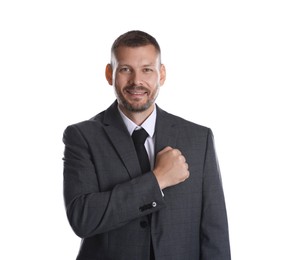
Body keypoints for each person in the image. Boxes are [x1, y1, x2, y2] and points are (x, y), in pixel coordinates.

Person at [63, 30, 231, 260]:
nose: (136, 81)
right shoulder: (82, 137)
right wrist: (157, 179)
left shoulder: (198, 138)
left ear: (161, 74)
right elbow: (82, 219)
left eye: (147, 70)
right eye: (125, 69)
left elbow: (215, 233)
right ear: (109, 73)